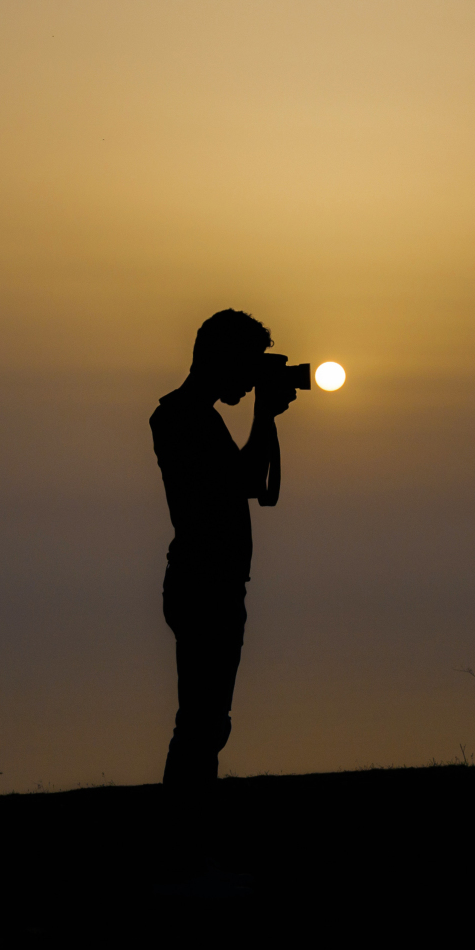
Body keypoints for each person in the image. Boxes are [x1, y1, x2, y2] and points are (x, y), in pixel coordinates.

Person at [150, 309, 296, 791]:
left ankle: (191, 837)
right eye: (247, 366)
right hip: (204, 585)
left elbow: (252, 485)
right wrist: (264, 416)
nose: (251, 382)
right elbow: (245, 482)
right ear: (222, 359)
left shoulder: (195, 416)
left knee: (207, 721)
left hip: (211, 583)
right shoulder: (182, 418)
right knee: (200, 722)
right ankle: (185, 842)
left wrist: (264, 419)